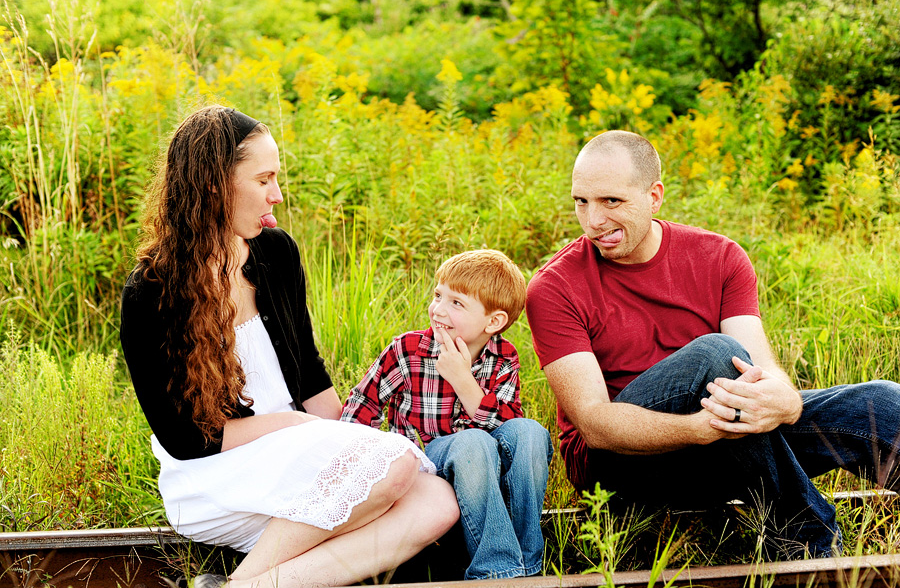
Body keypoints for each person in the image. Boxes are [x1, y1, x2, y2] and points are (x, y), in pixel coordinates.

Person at [119, 105, 458, 588]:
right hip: (215, 475)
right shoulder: (151, 292)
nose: (276, 194)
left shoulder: (276, 253)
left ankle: (244, 586)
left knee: (435, 502)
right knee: (397, 464)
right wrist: (298, 427)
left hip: (293, 456)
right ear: (214, 184)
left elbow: (310, 372)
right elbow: (186, 440)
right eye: (263, 180)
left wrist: (347, 445)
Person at [526, 129, 900, 560]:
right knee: (717, 358)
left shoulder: (719, 257)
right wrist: (700, 430)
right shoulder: (555, 288)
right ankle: (811, 545)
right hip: (622, 468)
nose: (593, 221)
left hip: (727, 437)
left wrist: (784, 402)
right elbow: (594, 424)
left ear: (654, 196)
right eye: (581, 202)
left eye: (612, 202)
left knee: (881, 403)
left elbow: (761, 368)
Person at [341, 249, 552, 579]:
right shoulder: (409, 350)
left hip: (484, 473)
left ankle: (527, 562)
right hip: (426, 468)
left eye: (457, 303)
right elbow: (362, 405)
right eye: (439, 295)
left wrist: (463, 380)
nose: (438, 309)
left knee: (530, 432)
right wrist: (361, 470)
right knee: (472, 442)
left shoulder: (504, 358)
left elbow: (508, 428)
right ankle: (497, 571)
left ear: (493, 322)